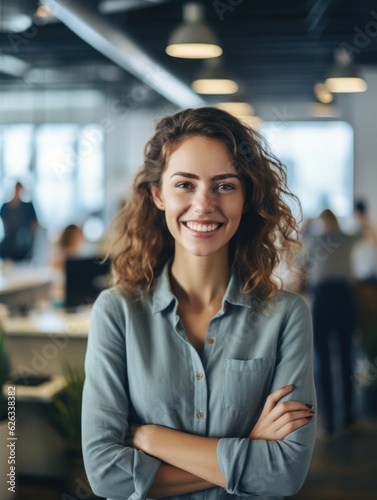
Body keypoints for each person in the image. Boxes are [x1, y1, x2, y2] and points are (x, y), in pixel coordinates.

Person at [82, 107, 316, 500]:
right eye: (185, 185)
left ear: (246, 197)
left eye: (224, 185)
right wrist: (249, 449)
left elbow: (283, 474)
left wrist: (149, 437)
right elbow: (106, 475)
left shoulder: (286, 316)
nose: (204, 204)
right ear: (158, 194)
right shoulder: (117, 312)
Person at [302, 209, 358, 440]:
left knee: (326, 362)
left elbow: (299, 237)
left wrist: (309, 222)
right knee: (345, 359)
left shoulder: (314, 238)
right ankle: (343, 419)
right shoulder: (345, 237)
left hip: (327, 298)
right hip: (341, 297)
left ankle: (332, 422)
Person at [0, 181, 39, 262]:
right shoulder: (5, 207)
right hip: (9, 246)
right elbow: (5, 228)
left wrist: (33, 243)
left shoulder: (28, 207)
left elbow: (35, 226)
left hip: (25, 245)